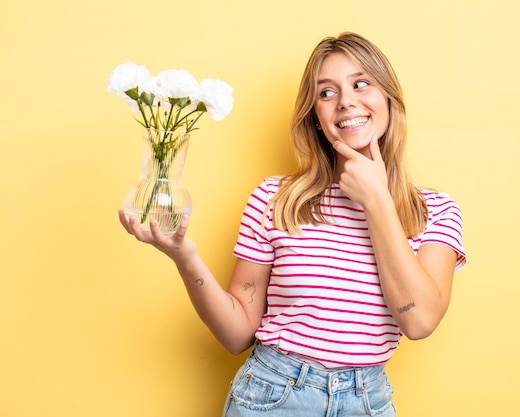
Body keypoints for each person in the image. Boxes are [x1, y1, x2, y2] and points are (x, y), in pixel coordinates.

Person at [119, 31, 466, 417]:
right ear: (316, 117)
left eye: (361, 83)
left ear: (388, 98)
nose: (346, 101)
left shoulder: (435, 210)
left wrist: (377, 200)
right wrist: (186, 259)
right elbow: (237, 336)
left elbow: (418, 321)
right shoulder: (275, 199)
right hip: (271, 397)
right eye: (326, 92)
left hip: (367, 401)